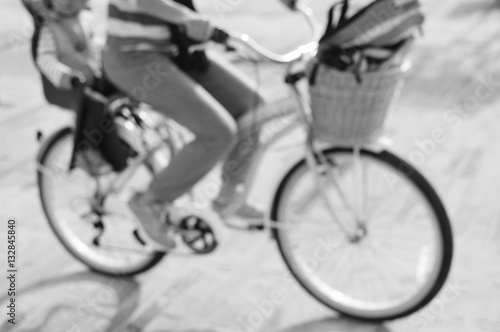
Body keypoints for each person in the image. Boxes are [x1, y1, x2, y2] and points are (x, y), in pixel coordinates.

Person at [102, 0, 297, 250]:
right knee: (217, 132)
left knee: (255, 107)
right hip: (133, 58)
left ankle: (229, 198)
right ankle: (150, 201)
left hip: (179, 51)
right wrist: (184, 17)